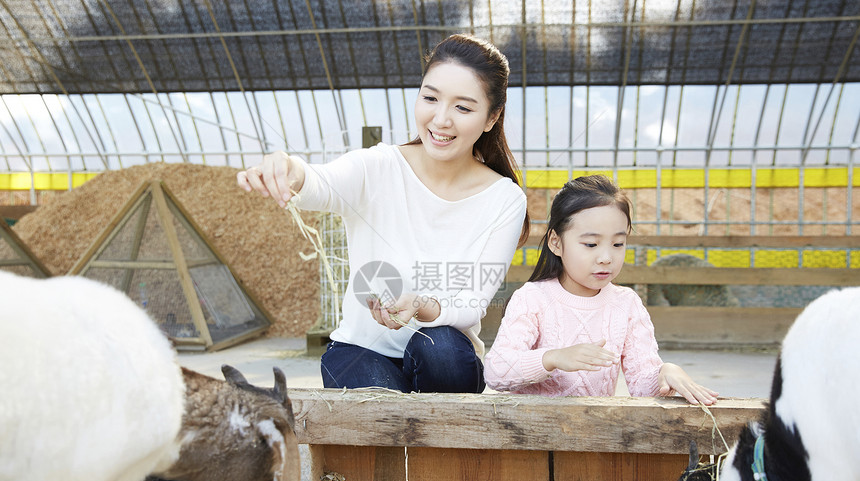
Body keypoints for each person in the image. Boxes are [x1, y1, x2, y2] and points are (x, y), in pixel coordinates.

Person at [237, 34, 528, 394]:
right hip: (362, 349)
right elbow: (320, 182)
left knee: (441, 347)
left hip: (445, 357)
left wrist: (419, 305)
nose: (440, 119)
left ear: (491, 117)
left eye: (463, 108)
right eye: (430, 97)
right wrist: (288, 168)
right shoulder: (378, 166)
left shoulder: (503, 199)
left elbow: (471, 303)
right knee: (374, 395)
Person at [483, 175, 719, 406]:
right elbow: (496, 372)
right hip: (532, 435)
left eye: (618, 244)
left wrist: (665, 373)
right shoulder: (532, 298)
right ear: (556, 242)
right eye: (591, 244)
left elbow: (641, 387)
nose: (606, 258)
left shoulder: (626, 304)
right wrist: (553, 358)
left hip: (594, 434)